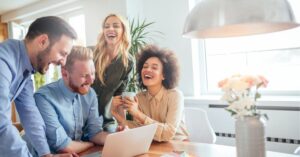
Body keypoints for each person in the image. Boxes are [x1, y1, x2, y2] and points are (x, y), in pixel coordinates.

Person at [0, 16, 77, 157]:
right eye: (62, 53)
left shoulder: (25, 69)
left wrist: (46, 155)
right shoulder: (3, 61)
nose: (64, 62)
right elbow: (1, 125)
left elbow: (30, 114)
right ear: (43, 41)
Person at [33, 46, 108, 155]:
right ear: (65, 74)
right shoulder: (44, 98)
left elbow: (95, 133)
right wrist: (89, 144)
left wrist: (118, 137)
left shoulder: (89, 93)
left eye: (92, 73)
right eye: (84, 75)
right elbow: (63, 146)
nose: (91, 80)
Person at [111, 45, 189, 142]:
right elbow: (137, 130)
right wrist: (117, 116)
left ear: (164, 75)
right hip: (153, 145)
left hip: (178, 145)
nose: (148, 70)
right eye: (145, 66)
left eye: (154, 67)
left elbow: (168, 133)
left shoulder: (175, 95)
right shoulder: (138, 98)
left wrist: (138, 114)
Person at [92, 14, 134, 132]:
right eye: (106, 26)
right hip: (82, 119)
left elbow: (119, 97)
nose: (110, 29)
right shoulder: (91, 54)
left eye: (116, 26)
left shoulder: (128, 62)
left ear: (123, 31)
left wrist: (123, 125)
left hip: (106, 121)